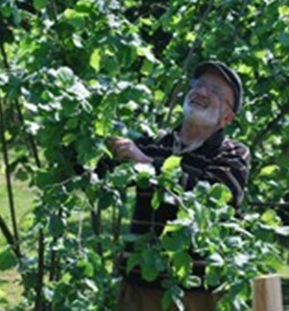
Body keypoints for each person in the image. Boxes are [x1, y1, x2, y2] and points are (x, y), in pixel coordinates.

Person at [105, 61, 251, 311]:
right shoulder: (154, 142)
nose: (202, 92)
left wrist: (146, 163)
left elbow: (210, 198)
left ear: (227, 117)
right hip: (138, 287)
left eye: (215, 92)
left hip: (196, 294)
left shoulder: (233, 153)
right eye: (199, 84)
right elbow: (93, 171)